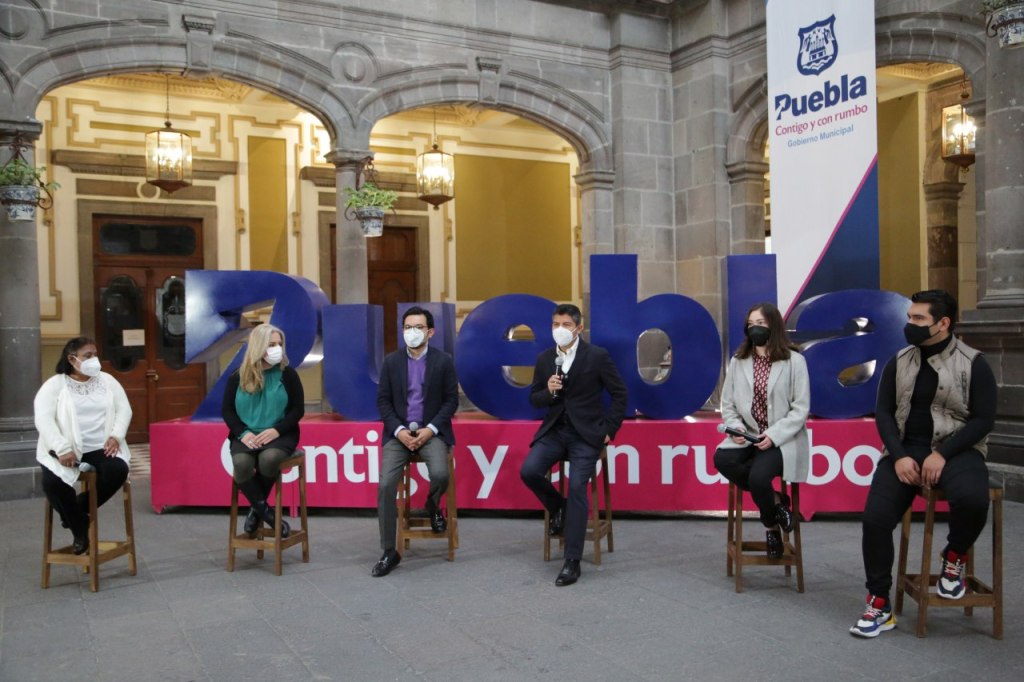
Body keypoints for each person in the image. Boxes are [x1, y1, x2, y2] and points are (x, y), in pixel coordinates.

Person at [850, 289, 996, 638]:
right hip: (905, 451)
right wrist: (898, 455)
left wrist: (943, 454)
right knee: (875, 520)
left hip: (958, 450)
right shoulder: (899, 361)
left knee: (973, 500)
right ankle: (879, 603)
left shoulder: (974, 363)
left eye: (918, 318)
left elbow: (983, 420)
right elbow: (884, 413)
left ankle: (954, 556)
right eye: (909, 317)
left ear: (943, 323)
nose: (910, 324)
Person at [520, 303, 628, 586]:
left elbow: (620, 394)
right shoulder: (546, 359)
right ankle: (560, 507)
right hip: (555, 431)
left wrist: (610, 429)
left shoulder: (597, 356)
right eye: (556, 324)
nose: (560, 329)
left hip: (586, 434)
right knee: (529, 471)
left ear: (579, 328)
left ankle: (572, 560)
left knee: (578, 486)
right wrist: (548, 391)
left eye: (566, 325)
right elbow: (534, 399)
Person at [713, 302, 810, 560]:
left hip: (781, 440)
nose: (754, 328)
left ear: (773, 326)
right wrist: (736, 427)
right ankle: (777, 502)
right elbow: (728, 404)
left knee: (758, 478)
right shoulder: (739, 361)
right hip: (748, 436)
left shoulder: (795, 361)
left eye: (760, 324)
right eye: (751, 324)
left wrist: (774, 435)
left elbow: (800, 409)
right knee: (722, 459)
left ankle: (770, 527)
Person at [372, 306, 459, 577]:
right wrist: (398, 431)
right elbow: (383, 402)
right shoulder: (391, 362)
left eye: (418, 327)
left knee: (441, 474)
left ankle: (432, 505)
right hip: (398, 434)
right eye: (408, 327)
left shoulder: (443, 361)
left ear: (430, 332)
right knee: (386, 485)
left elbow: (451, 401)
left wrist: (430, 430)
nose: (412, 332)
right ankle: (389, 551)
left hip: (431, 432)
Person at [34, 337, 132, 555]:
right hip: (65, 449)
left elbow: (124, 409)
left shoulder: (107, 380)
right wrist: (62, 448)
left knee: (118, 470)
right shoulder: (54, 385)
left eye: (95, 354)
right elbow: (44, 419)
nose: (94, 359)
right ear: (72, 359)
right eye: (88, 356)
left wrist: (116, 436)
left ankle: (75, 513)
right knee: (52, 483)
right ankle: (79, 529)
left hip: (100, 447)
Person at [221, 324, 304, 539]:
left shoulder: (288, 374)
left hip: (280, 434)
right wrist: (243, 433)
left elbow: (297, 410)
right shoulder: (237, 376)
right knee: (241, 464)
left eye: (279, 344)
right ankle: (267, 514)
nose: (277, 349)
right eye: (271, 344)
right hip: (246, 434)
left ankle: (255, 510)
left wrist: (276, 430)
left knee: (269, 459)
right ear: (258, 347)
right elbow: (227, 411)